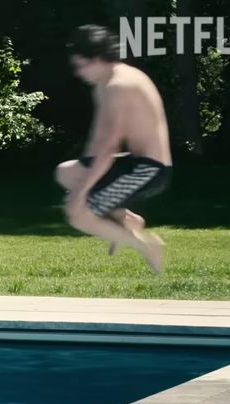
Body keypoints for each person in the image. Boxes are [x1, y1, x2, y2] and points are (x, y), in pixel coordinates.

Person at [53, 24, 173, 274]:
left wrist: (81, 194)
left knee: (78, 215)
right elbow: (97, 145)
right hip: (134, 163)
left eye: (80, 65)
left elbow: (110, 146)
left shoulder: (120, 84)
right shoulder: (104, 84)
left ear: (96, 58)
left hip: (150, 171)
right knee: (66, 172)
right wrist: (82, 177)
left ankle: (147, 245)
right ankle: (126, 219)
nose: (78, 73)